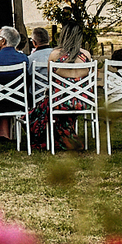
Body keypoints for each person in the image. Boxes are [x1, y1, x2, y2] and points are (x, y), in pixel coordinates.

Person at [41, 23, 94, 151]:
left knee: (41, 109)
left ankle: (63, 139)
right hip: (83, 101)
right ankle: (68, 137)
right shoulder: (86, 55)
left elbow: (50, 79)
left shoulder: (55, 55)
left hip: (60, 102)